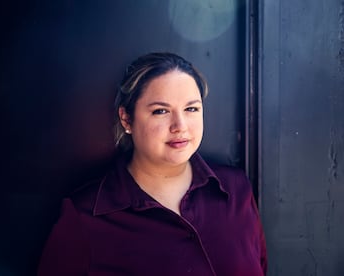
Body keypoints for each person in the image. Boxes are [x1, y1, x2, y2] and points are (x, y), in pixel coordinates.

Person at [38, 52, 267, 275]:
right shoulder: (85, 217)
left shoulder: (236, 189)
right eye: (161, 111)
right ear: (127, 118)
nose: (180, 126)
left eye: (191, 109)